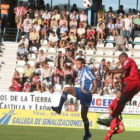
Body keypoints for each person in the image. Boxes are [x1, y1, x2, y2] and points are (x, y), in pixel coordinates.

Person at [52, 56, 97, 140]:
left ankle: (87, 134)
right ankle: (59, 108)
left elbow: (94, 80)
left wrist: (94, 90)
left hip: (86, 95)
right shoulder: (80, 68)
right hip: (80, 90)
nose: (76, 65)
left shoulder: (86, 71)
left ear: (82, 65)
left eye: (78, 64)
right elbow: (75, 61)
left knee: (83, 116)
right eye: (76, 63)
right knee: (66, 89)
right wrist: (67, 56)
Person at [97, 52, 140, 127]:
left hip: (133, 84)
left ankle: (112, 118)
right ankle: (110, 120)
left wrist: (110, 71)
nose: (120, 62)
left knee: (121, 100)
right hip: (135, 86)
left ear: (123, 58)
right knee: (121, 102)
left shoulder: (128, 60)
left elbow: (122, 70)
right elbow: (122, 76)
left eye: (120, 60)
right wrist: (113, 80)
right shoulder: (129, 70)